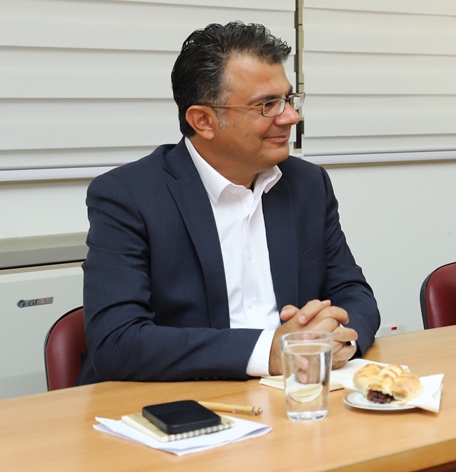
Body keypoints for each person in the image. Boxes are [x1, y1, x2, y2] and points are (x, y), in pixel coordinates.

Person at [80, 22, 380, 383]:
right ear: (203, 121)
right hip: (184, 399)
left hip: (297, 390)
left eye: (288, 99)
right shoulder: (128, 195)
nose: (291, 117)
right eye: (267, 105)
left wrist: (339, 339)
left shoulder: (307, 184)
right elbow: (117, 342)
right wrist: (268, 351)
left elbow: (352, 292)